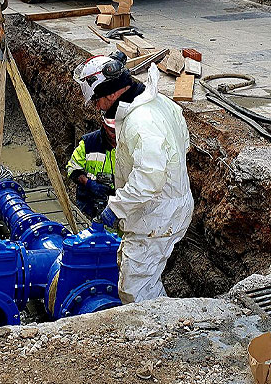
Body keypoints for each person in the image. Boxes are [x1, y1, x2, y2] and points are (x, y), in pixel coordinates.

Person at [73, 52, 193, 303]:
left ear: (112, 92)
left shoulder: (142, 121)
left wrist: (115, 208)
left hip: (158, 215)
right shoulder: (159, 104)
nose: (97, 107)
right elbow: (183, 143)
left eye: (97, 100)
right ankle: (170, 319)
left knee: (134, 290)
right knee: (143, 277)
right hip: (162, 206)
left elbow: (148, 179)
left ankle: (160, 335)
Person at [66, 117, 116, 218]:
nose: (116, 135)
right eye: (112, 131)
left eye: (120, 129)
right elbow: (72, 169)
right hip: (89, 203)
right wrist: (88, 183)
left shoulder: (131, 143)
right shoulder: (89, 143)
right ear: (104, 125)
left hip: (118, 204)